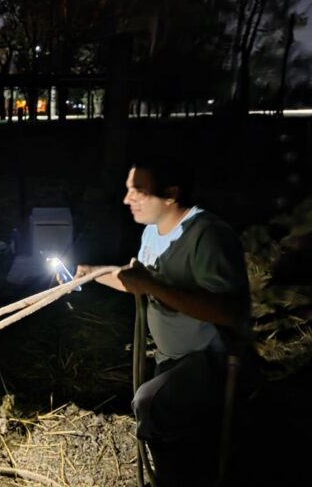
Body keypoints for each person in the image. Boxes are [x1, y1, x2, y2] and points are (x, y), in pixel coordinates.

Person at [74, 156, 254, 487]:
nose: (127, 199)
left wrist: (153, 285)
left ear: (170, 194)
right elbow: (143, 283)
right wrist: (94, 274)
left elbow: (230, 311)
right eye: (128, 189)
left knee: (150, 404)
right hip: (171, 359)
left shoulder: (208, 236)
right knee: (172, 424)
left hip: (212, 359)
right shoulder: (153, 234)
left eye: (138, 191)